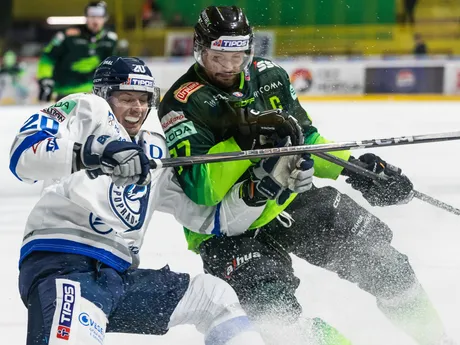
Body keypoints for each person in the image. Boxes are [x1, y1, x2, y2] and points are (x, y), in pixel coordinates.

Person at [158, 5, 454, 345]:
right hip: (224, 229)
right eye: (218, 57)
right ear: (199, 49)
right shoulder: (182, 103)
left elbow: (308, 139)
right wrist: (248, 141)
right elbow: (201, 190)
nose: (228, 67)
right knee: (280, 325)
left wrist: (355, 168)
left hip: (287, 197)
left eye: (237, 56)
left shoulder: (269, 76)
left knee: (388, 267)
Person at [9, 56, 271, 345]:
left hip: (118, 280)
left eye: (144, 99)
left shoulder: (155, 150)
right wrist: (95, 152)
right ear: (104, 95)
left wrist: (263, 187)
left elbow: (210, 218)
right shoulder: (87, 109)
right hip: (66, 267)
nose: (136, 108)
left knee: (213, 298)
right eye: (126, 98)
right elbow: (23, 154)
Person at [36, 1, 117, 102]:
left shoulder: (110, 39)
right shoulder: (67, 36)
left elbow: (114, 66)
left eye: (99, 17)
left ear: (105, 18)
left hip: (94, 94)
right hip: (65, 94)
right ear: (86, 17)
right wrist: (45, 79)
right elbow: (47, 58)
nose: (95, 21)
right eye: (92, 16)